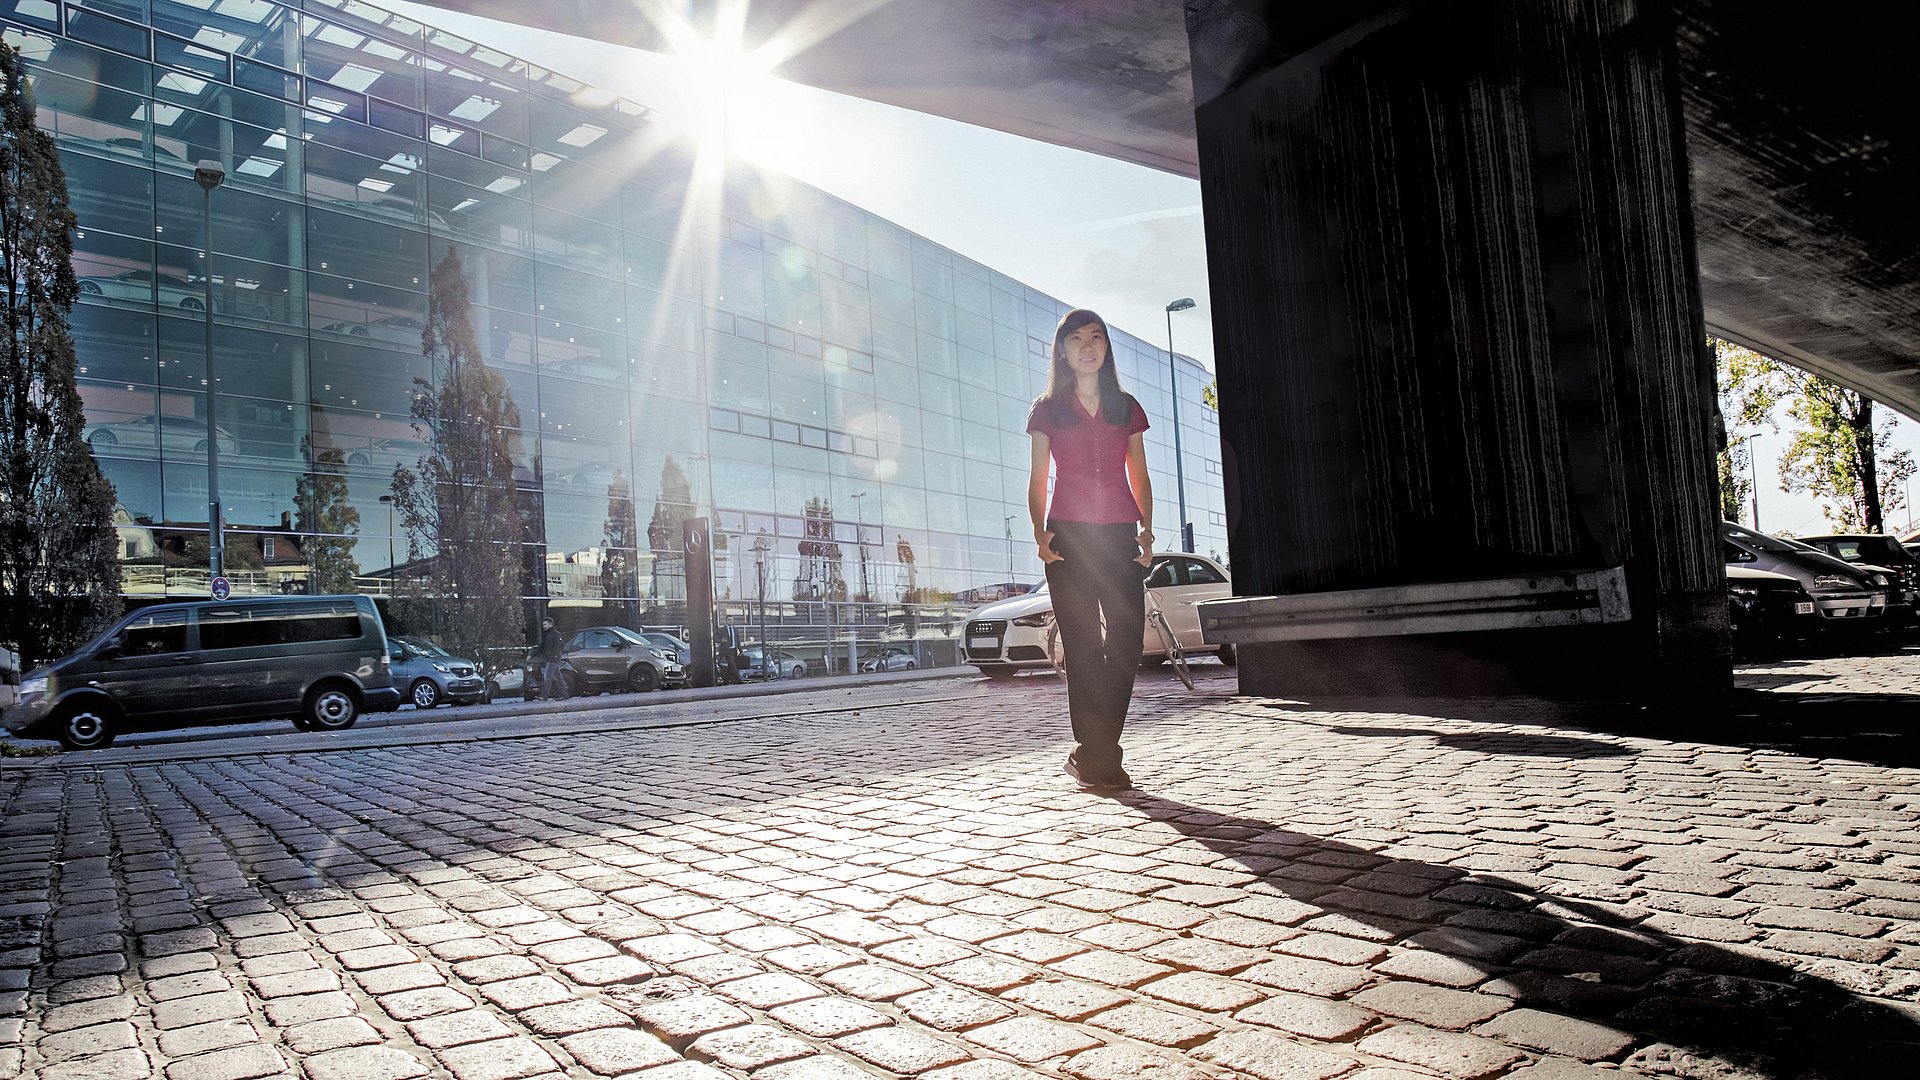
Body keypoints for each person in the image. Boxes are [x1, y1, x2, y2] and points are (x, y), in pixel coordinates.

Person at [1026, 308, 1153, 791]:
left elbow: (1138, 473)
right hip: (1069, 538)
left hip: (1120, 533)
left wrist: (1147, 530)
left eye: (1096, 336)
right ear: (1063, 350)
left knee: (1125, 642)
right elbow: (1039, 476)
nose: (1087, 345)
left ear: (1105, 348)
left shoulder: (1127, 406)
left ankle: (1093, 751)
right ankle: (1101, 757)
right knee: (1082, 648)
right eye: (1076, 338)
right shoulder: (1047, 409)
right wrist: (1040, 535)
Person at [536, 616, 568, 700]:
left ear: (550, 624)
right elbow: (543, 645)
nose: (544, 626)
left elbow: (560, 645)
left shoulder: (555, 634)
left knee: (547, 676)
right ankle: (564, 695)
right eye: (543, 624)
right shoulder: (548, 634)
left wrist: (554, 655)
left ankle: (544, 695)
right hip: (552, 658)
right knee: (558, 677)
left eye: (545, 624)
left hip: (553, 658)